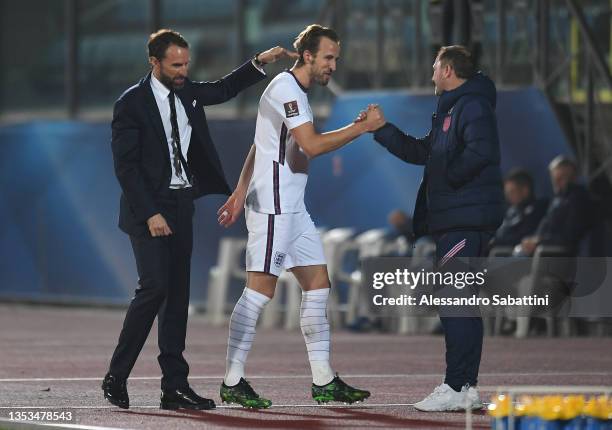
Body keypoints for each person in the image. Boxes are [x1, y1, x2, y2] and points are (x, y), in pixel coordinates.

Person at [103, 28, 295, 411]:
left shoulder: (188, 92)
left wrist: (261, 62)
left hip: (180, 205)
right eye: (175, 65)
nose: (182, 71)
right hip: (148, 210)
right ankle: (116, 376)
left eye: (186, 64)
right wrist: (152, 213)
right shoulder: (131, 104)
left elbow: (223, 89)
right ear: (154, 62)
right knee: (154, 288)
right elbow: (126, 169)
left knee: (177, 299)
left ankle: (174, 386)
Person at [216, 24, 375, 409]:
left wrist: (238, 192)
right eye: (328, 58)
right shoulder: (287, 89)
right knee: (259, 291)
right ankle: (231, 381)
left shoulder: (294, 92)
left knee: (318, 284)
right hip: (273, 206)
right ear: (307, 56)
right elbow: (312, 145)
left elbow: (260, 143)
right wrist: (361, 127)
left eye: (335, 58)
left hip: (293, 206)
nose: (333, 66)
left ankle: (323, 380)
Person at [361, 45, 504, 411]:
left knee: (455, 301)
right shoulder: (453, 108)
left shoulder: (471, 106)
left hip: (465, 219)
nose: (430, 73)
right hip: (458, 218)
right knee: (462, 303)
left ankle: (455, 386)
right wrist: (383, 130)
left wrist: (447, 179)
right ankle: (466, 388)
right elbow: (422, 152)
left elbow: (481, 152)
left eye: (435, 67)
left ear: (448, 70)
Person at [517, 156, 591, 257]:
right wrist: (533, 239)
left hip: (556, 255)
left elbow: (569, 237)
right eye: (554, 179)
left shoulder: (578, 200)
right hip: (542, 248)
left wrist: (539, 241)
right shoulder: (557, 199)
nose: (556, 183)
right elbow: (545, 226)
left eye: (560, 178)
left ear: (573, 177)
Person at [489, 168, 548, 252]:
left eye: (512, 192)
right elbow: (499, 232)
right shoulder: (511, 211)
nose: (508, 197)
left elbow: (523, 236)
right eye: (507, 193)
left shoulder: (539, 208)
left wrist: (495, 242)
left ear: (525, 190)